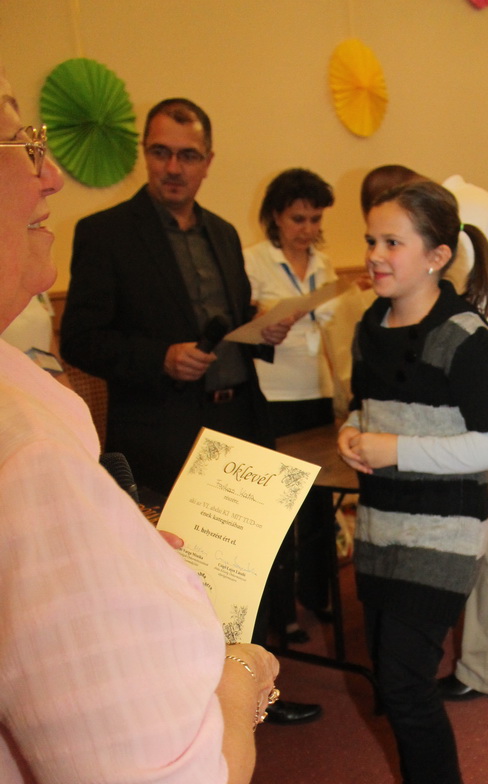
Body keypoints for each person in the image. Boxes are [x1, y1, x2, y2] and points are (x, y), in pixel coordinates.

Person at [0, 72, 279, 784]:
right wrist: (236, 681)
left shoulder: (222, 235)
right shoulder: (28, 440)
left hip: (220, 433)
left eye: (190, 153)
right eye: (16, 140)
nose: (46, 171)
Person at [60, 97, 319, 726]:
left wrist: (262, 330)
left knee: (251, 564)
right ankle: (191, 714)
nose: (173, 166)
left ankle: (255, 692)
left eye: (188, 155)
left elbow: (226, 324)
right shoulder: (105, 232)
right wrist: (161, 357)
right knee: (183, 576)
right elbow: (81, 340)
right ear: (145, 153)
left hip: (239, 420)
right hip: (163, 431)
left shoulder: (224, 234)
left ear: (208, 161)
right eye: (160, 152)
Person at [338, 180, 488, 784]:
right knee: (389, 677)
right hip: (382, 521)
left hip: (446, 527)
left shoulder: (468, 340)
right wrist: (354, 435)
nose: (376, 255)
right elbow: (366, 409)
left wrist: (396, 451)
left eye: (393, 242)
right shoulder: (369, 323)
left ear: (437, 257)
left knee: (407, 680)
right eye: (371, 240)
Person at [360, 167, 488, 696]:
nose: (379, 251)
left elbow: (442, 318)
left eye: (391, 239)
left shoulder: (454, 221)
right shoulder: (482, 200)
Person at [244, 169, 337, 633]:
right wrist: (269, 315)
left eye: (315, 219)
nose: (307, 229)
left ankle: (317, 595)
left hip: (319, 391)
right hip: (273, 395)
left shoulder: (325, 265)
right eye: (298, 219)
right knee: (278, 510)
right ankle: (282, 615)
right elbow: (244, 325)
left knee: (319, 507)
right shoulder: (253, 261)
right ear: (276, 216)